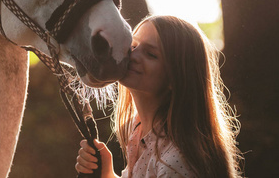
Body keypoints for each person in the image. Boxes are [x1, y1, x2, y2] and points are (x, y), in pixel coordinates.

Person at [75, 15, 243, 178]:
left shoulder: (176, 165)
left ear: (175, 77)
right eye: (133, 46)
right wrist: (107, 174)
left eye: (151, 54)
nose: (133, 55)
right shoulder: (140, 130)